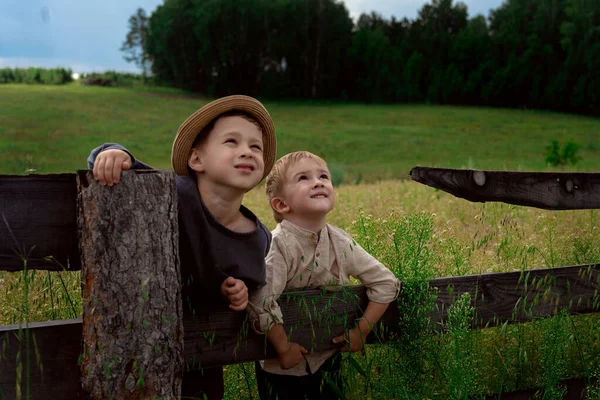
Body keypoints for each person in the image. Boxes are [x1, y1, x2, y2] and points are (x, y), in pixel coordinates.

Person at [87, 95, 277, 400]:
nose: (247, 151)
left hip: (203, 349)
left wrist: (238, 290)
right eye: (232, 141)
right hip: (142, 342)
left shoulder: (258, 237)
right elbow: (130, 167)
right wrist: (113, 153)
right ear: (196, 160)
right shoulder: (174, 193)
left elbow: (250, 282)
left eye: (256, 147)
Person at [248, 151, 400, 400]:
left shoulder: (340, 242)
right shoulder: (279, 245)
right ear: (281, 204)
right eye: (303, 178)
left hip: (328, 359)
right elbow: (261, 301)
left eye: (323, 176)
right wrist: (283, 348)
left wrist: (361, 331)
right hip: (280, 367)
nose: (318, 182)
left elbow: (385, 283)